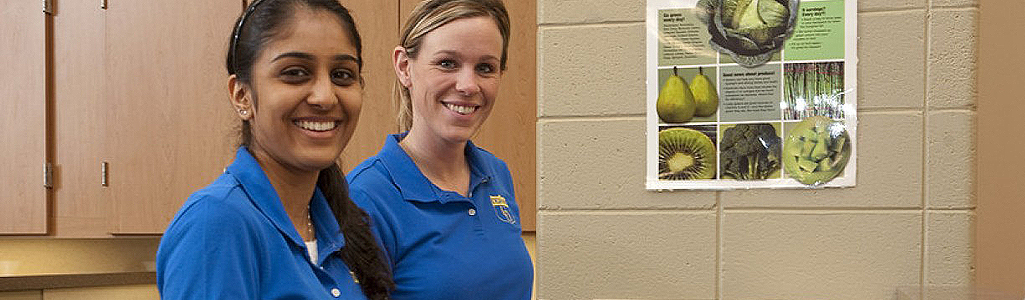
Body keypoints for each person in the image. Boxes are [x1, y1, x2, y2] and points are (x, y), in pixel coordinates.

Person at [155, 0, 393, 299]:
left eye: (342, 75)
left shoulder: (339, 225)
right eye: (295, 72)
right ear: (241, 95)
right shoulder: (215, 224)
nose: (325, 96)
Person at [346, 0, 532, 299]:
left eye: (485, 67)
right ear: (404, 67)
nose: (468, 85)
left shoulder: (495, 173)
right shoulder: (365, 197)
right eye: (447, 63)